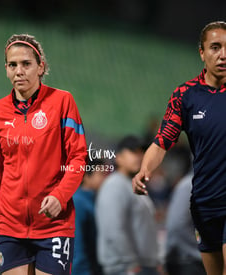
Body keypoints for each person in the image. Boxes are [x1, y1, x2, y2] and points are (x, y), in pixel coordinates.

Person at [0, 33, 87, 275]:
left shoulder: (63, 102)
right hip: (10, 226)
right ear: (6, 69)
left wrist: (60, 196)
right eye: (13, 65)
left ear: (41, 67)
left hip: (54, 226)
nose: (19, 71)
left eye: (26, 64)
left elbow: (78, 159)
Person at [132, 21, 226, 275]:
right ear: (202, 52)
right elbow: (162, 141)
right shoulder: (185, 96)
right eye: (215, 47)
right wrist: (144, 170)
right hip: (204, 203)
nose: (223, 55)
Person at [96, 135, 160, 275]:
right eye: (132, 152)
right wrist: (131, 264)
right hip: (125, 267)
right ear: (118, 157)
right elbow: (113, 229)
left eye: (141, 152)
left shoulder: (130, 184)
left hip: (141, 265)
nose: (138, 156)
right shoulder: (114, 185)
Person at [164, 173, 205, 275]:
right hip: (188, 261)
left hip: (195, 260)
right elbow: (177, 225)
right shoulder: (190, 184)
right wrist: (200, 252)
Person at [72, 158, 108, 275]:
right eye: (101, 174)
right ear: (87, 176)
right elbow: (78, 243)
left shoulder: (94, 199)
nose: (105, 178)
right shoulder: (78, 202)